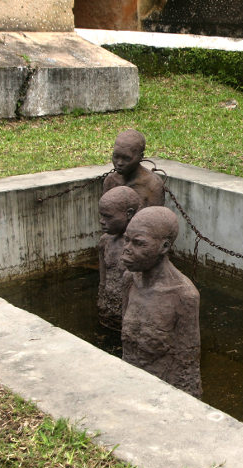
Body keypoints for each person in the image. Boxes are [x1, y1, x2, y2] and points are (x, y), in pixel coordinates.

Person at [120, 206, 202, 397]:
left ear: (164, 247)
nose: (127, 250)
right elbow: (126, 346)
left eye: (139, 243)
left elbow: (188, 367)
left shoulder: (184, 296)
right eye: (127, 240)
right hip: (130, 385)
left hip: (162, 394)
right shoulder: (129, 279)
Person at [97, 186, 142, 331]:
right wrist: (102, 299)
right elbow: (102, 277)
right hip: (109, 309)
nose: (101, 221)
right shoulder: (105, 241)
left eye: (108, 217)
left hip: (130, 312)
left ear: (129, 214)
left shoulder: (140, 247)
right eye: (101, 215)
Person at [103, 129, 165, 209]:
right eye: (116, 156)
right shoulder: (110, 181)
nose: (119, 163)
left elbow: (155, 218)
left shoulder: (152, 185)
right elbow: (105, 215)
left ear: (141, 157)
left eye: (127, 158)